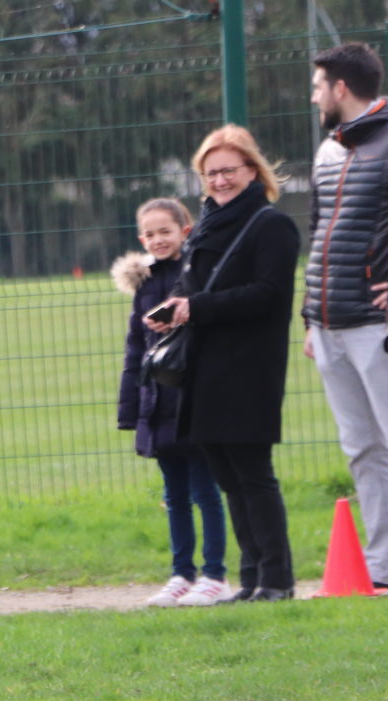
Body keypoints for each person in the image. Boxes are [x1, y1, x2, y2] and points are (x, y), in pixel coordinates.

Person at [303, 43, 388, 592]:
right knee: (362, 448)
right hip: (327, 324)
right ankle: (384, 569)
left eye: (318, 87)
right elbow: (319, 232)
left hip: (378, 327)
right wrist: (309, 317)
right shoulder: (328, 150)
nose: (314, 98)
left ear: (340, 88)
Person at [146, 125, 299, 602]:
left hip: (249, 368)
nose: (219, 181)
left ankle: (277, 580)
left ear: (253, 170)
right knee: (229, 477)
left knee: (253, 473)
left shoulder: (271, 226)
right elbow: (194, 286)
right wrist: (172, 308)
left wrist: (197, 308)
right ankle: (252, 580)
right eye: (210, 173)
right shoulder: (207, 225)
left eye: (229, 170)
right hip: (204, 367)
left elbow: (270, 294)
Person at [113, 198, 229, 607]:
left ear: (185, 230)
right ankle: (181, 574)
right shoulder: (144, 285)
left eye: (166, 231)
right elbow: (135, 348)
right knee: (174, 495)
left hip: (193, 399)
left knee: (205, 491)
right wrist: (131, 406)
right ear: (140, 238)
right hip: (156, 403)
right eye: (150, 234)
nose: (158, 239)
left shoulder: (198, 274)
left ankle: (214, 574)